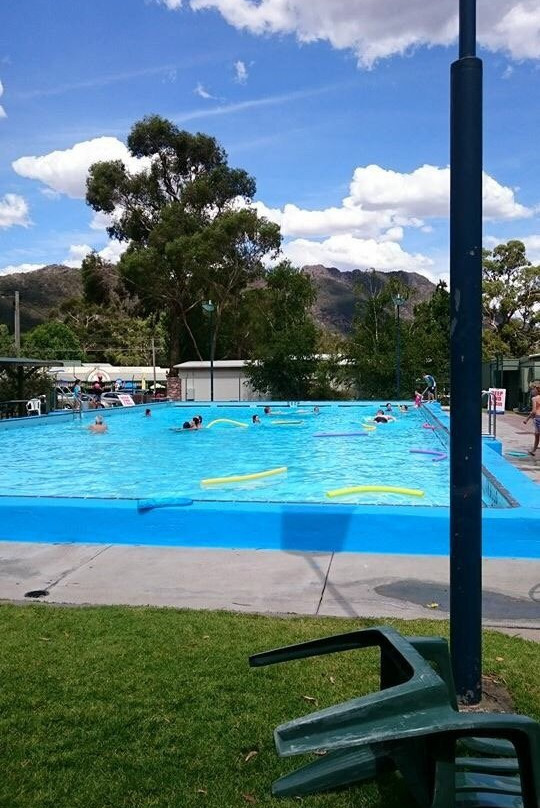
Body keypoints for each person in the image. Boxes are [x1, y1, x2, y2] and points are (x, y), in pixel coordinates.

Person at [523, 385, 540, 456]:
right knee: (537, 434)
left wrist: (527, 419)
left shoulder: (534, 398)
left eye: (533, 389)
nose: (532, 391)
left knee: (537, 434)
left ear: (537, 390)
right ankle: (533, 450)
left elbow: (533, 411)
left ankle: (533, 450)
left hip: (538, 418)